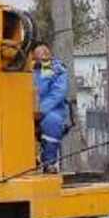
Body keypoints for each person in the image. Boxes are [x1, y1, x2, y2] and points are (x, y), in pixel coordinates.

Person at [31, 43, 71, 172]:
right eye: (39, 51)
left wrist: (40, 111)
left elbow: (57, 94)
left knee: (51, 122)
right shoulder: (27, 69)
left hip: (50, 111)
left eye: (45, 50)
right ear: (32, 55)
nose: (43, 53)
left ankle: (49, 162)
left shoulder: (55, 70)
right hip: (26, 110)